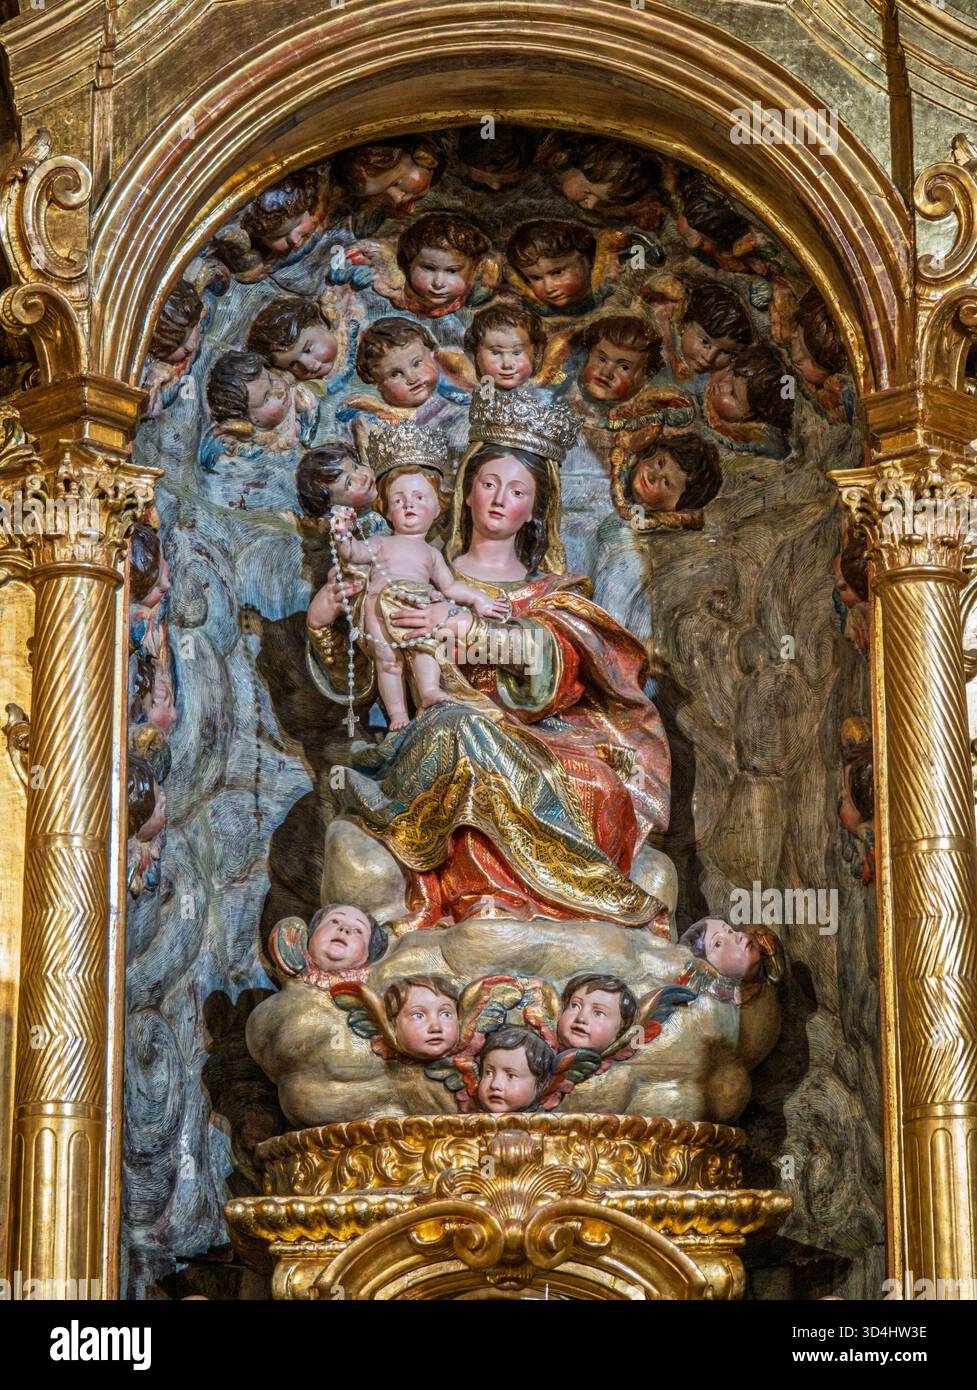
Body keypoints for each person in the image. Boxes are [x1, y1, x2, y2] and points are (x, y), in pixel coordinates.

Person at [310, 387, 672, 933]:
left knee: (594, 784)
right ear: (467, 492)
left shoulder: (553, 590)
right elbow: (366, 674)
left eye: (518, 490)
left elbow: (565, 670)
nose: (500, 499)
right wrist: (323, 628)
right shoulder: (415, 571)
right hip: (438, 729)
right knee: (460, 730)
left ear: (535, 509)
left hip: (545, 739)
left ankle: (551, 905)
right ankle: (480, 902)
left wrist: (465, 629)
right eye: (488, 483)